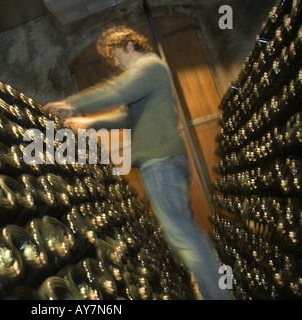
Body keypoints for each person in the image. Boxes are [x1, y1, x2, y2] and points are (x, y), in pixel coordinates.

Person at [43, 26, 231, 300]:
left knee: (184, 237)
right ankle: (212, 290)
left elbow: (118, 90)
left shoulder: (149, 66)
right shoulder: (147, 76)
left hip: (162, 162)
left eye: (116, 55)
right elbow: (125, 117)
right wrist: (91, 121)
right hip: (161, 162)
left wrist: (72, 102)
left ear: (130, 46)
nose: (116, 63)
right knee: (185, 233)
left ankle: (218, 296)